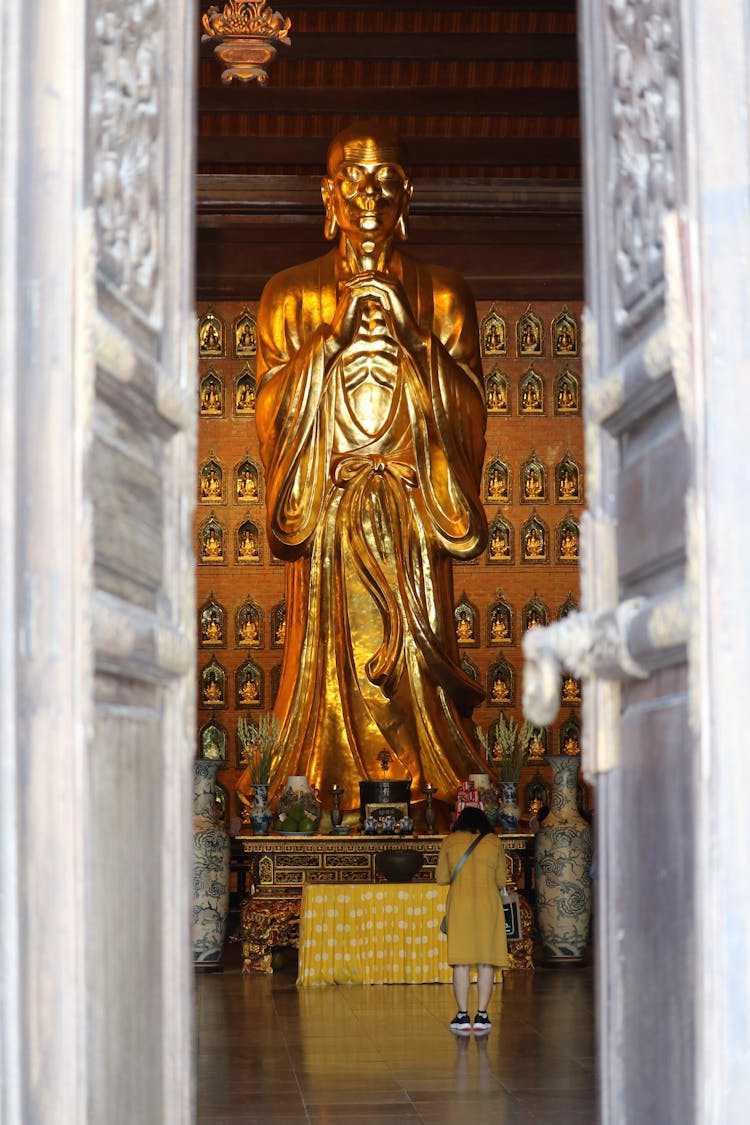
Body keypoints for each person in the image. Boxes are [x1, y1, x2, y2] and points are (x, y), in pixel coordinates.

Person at [243, 122, 488, 811]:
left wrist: (416, 343)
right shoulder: (289, 296)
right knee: (326, 676)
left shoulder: (444, 296)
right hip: (329, 526)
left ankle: (434, 782)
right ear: (329, 194)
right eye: (354, 179)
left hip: (412, 519)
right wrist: (326, 346)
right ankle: (319, 786)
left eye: (385, 180)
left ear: (407, 195)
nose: (369, 194)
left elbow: (470, 420)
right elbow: (269, 414)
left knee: (418, 693)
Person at [435, 806, 509, 1034]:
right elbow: (501, 879)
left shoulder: (450, 841)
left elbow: (441, 877)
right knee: (486, 961)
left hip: (461, 905)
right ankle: (483, 1017)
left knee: (461, 962)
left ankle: (462, 1016)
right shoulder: (493, 841)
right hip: (488, 905)